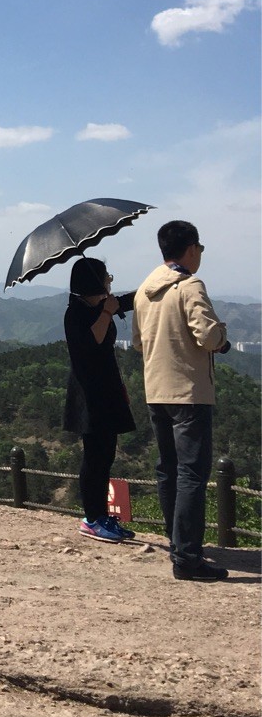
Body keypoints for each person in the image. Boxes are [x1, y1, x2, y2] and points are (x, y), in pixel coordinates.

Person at [133, 220, 231, 582]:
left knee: (168, 470)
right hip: (189, 392)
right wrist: (222, 337)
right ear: (190, 249)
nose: (200, 255)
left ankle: (178, 545)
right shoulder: (190, 285)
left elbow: (139, 342)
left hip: (155, 390)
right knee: (192, 473)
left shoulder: (144, 289)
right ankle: (188, 558)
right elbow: (207, 335)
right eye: (200, 249)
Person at [63, 258, 136, 543]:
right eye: (107, 277)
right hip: (89, 396)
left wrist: (120, 386)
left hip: (106, 391)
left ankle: (102, 516)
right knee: (94, 458)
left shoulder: (95, 307)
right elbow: (92, 343)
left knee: (106, 455)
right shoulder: (76, 313)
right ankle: (92, 518)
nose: (110, 281)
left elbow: (106, 350)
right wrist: (106, 311)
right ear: (94, 281)